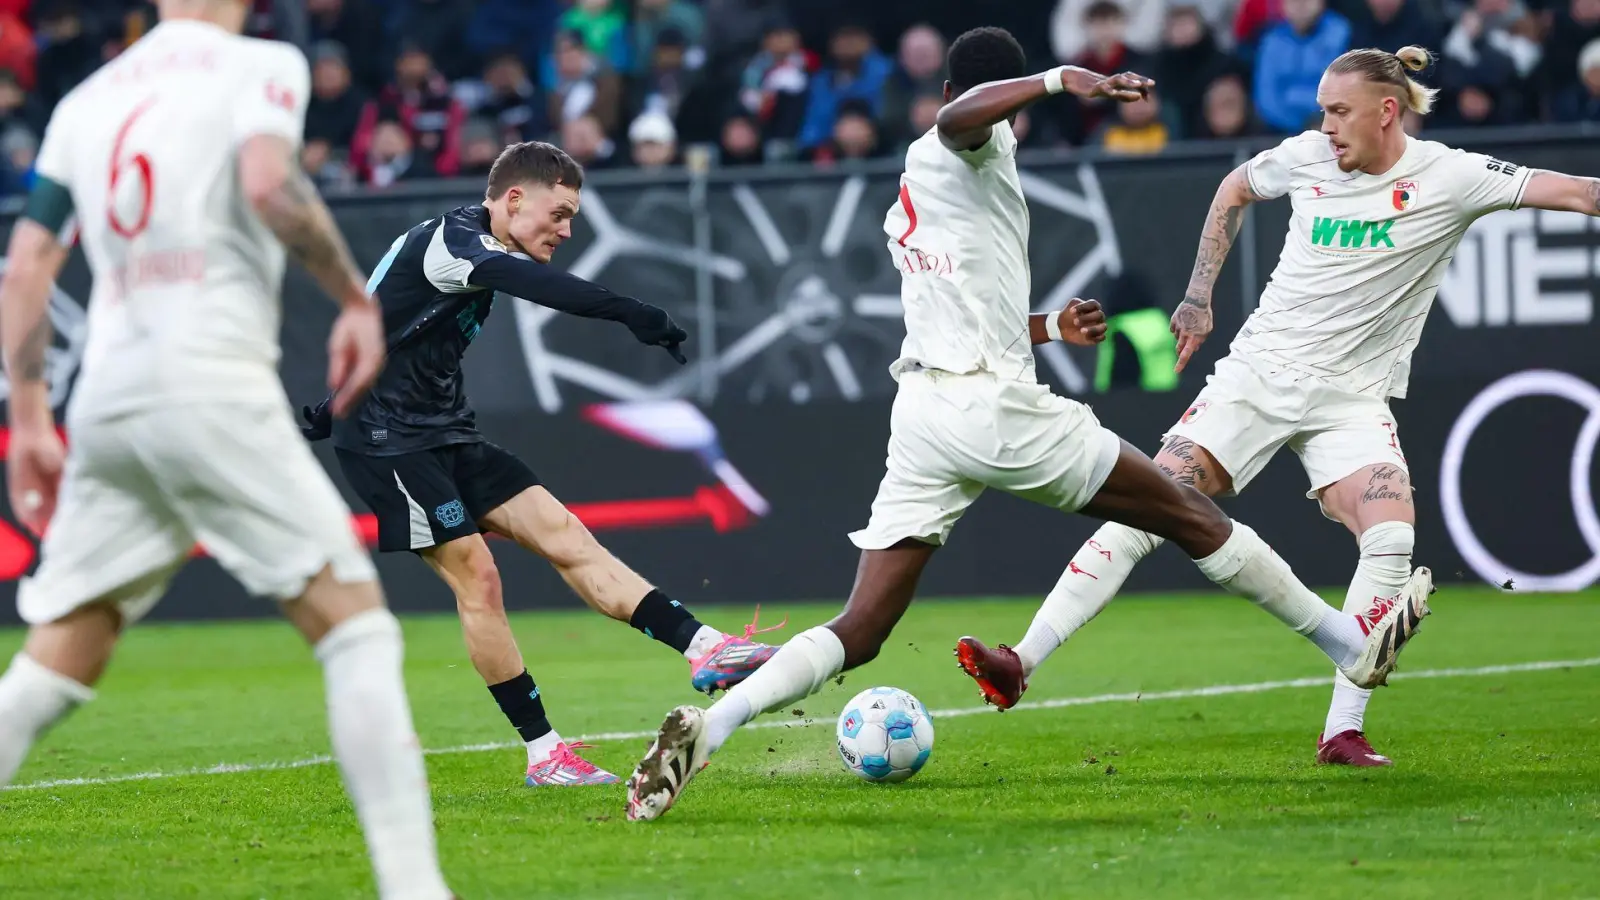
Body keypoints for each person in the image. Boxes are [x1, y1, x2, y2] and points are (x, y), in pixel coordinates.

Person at [624, 27, 1434, 823]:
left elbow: (965, 300)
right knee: (1190, 514)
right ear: (984, 101)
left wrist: (1048, 328)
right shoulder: (957, 143)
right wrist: (1056, 80)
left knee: (863, 626)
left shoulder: (941, 179)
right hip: (992, 408)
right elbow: (959, 121)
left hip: (928, 415)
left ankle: (713, 728)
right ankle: (1346, 647)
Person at [962, 45, 1600, 767]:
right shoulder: (1306, 158)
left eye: (1338, 112)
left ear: (1387, 112)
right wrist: (1198, 297)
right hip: (1259, 376)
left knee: (1391, 536)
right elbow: (1233, 189)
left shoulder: (1452, 176)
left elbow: (1582, 193)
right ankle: (1022, 661)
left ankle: (1342, 731)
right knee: (1150, 503)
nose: (1325, 126)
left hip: (1351, 397)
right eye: (1322, 112)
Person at [0, 2, 454, 898]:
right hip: (208, 377)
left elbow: (25, 265)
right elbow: (267, 183)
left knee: (65, 646)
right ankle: (416, 889)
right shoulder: (260, 66)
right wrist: (353, 300)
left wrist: (27, 419)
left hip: (108, 400)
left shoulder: (83, 101)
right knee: (355, 622)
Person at [298, 141, 781, 788]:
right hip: (387, 442)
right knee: (479, 576)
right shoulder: (456, 241)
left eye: (572, 218)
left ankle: (705, 649)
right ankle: (544, 753)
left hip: (441, 428)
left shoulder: (468, 247)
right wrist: (633, 314)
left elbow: (389, 321)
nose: (567, 230)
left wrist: (333, 402)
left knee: (564, 533)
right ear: (513, 199)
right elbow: (535, 285)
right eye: (559, 213)